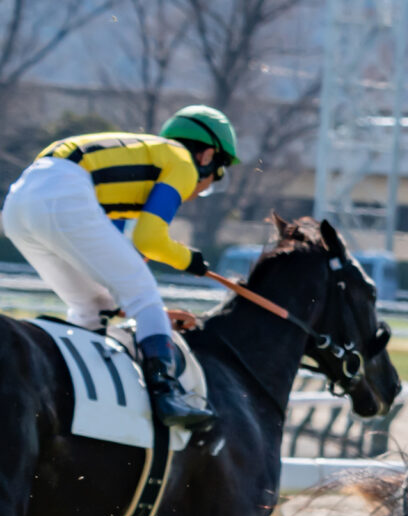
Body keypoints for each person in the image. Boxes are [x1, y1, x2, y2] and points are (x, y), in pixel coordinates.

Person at [1, 106, 239, 430]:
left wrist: (141, 311)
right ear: (208, 156)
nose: (199, 193)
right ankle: (166, 394)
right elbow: (149, 239)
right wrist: (189, 260)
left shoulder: (140, 161)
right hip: (62, 194)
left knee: (92, 305)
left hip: (19, 204)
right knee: (145, 292)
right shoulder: (182, 162)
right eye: (210, 183)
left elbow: (120, 252)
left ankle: (78, 395)